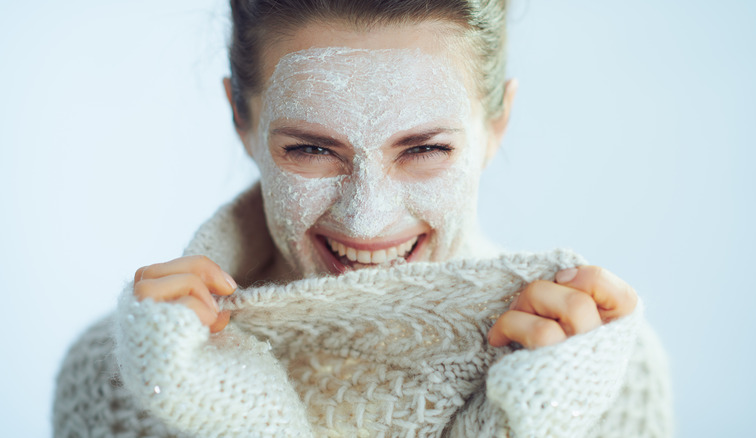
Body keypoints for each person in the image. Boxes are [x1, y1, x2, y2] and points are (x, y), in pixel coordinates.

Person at [53, 1, 673, 436]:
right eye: (311, 149)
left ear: (496, 126)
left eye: (425, 149)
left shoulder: (593, 369)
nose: (368, 218)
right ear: (241, 119)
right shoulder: (118, 377)